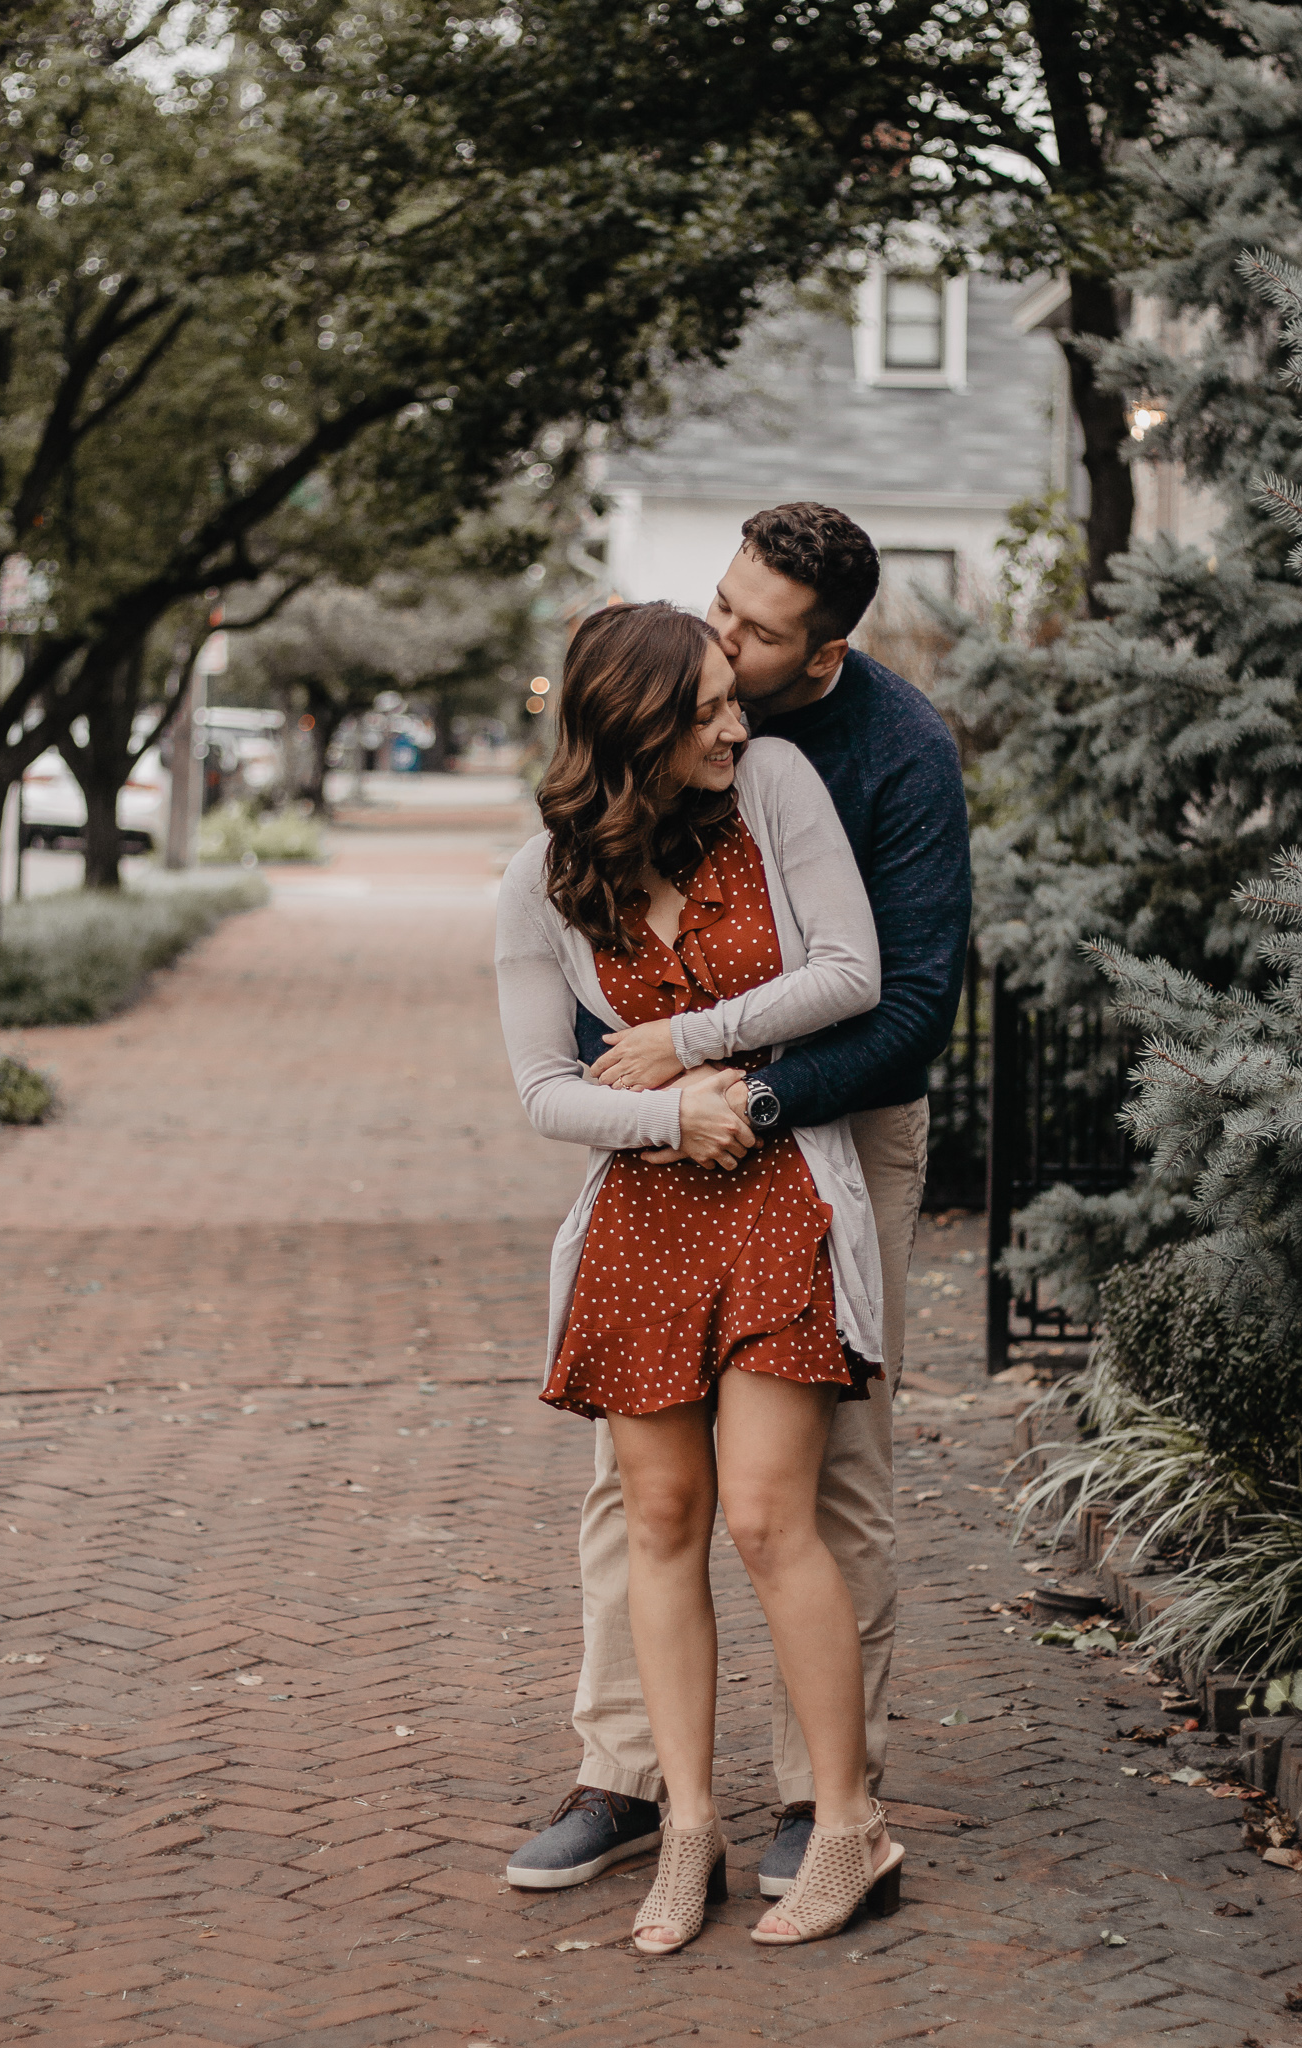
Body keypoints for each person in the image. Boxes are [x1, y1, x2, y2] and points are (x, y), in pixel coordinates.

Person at [505, 503, 971, 1904]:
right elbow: (551, 1058)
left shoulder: (888, 755)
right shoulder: (671, 702)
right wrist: (672, 1107)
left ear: (823, 651)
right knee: (639, 1489)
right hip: (670, 1147)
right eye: (719, 605)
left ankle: (820, 1799)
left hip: (835, 1119)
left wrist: (739, 1086)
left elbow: (898, 1006)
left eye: (754, 636)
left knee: (825, 1480)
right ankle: (629, 1777)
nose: (724, 641)